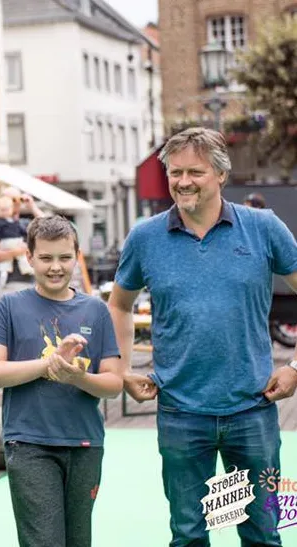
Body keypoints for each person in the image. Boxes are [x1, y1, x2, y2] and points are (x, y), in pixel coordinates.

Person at [107, 127, 297, 546]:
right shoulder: (145, 237)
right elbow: (118, 304)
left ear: (221, 175)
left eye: (195, 171)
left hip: (253, 410)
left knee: (264, 533)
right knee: (189, 534)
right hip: (180, 413)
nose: (184, 182)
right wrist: (121, 370)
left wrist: (296, 367)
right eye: (175, 173)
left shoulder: (263, 228)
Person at [0, 215, 123, 547]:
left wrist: (79, 376)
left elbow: (114, 382)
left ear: (76, 256)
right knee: (43, 541)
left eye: (64, 257)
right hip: (29, 444)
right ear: (28, 258)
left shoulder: (95, 311)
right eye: (45, 258)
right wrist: (48, 366)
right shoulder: (9, 307)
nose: (55, 267)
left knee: (78, 541)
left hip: (85, 444)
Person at [0, 187, 45, 281]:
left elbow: (47, 225)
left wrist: (32, 206)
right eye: (11, 200)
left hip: (30, 280)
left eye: (17, 199)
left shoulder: (23, 223)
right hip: (9, 282)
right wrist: (19, 251)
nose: (15, 203)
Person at [0, 196, 28, 293]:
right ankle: (27, 269)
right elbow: (23, 231)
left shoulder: (1, 223)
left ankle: (4, 275)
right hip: (13, 242)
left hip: (8, 243)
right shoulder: (9, 222)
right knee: (22, 257)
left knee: (7, 263)